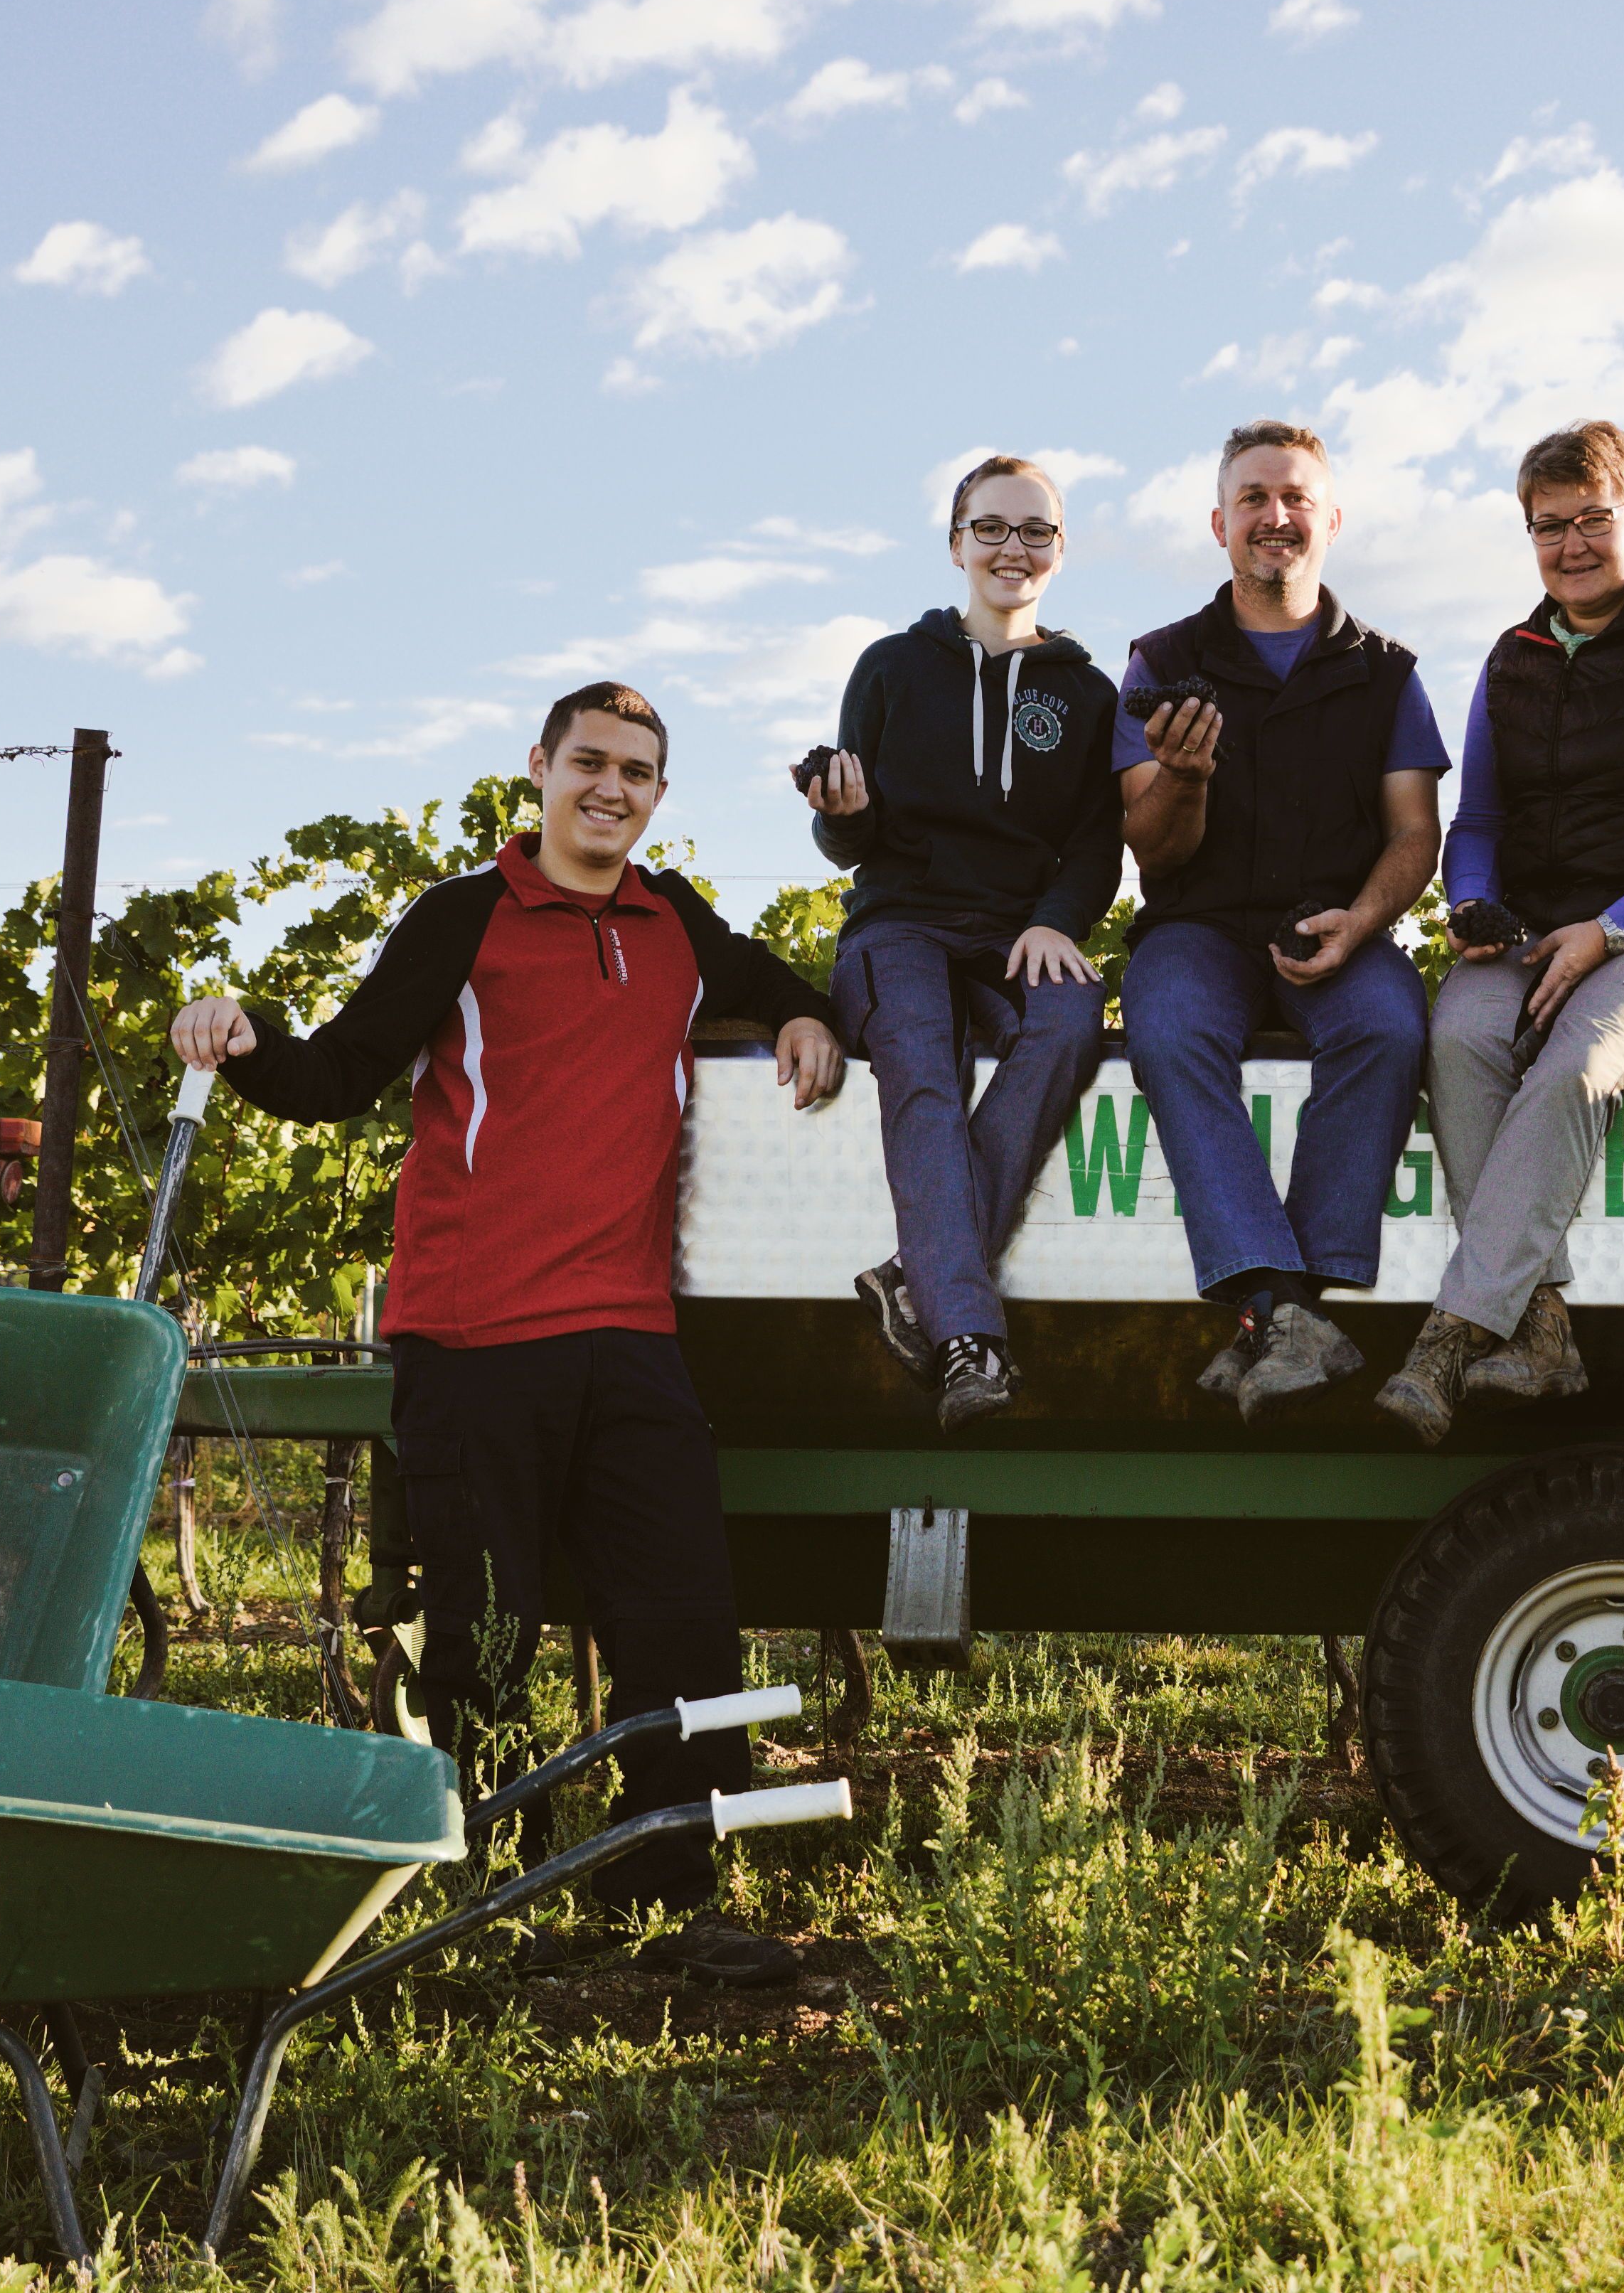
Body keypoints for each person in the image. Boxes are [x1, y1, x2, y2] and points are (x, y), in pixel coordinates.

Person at [169, 682, 843, 1984]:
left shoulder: (677, 924)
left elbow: (783, 985)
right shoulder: (464, 916)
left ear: (659, 794)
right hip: (474, 1335)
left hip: (631, 1334)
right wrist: (242, 1038)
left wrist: (807, 1012)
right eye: (589, 762)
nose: (611, 788)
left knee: (683, 1621)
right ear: (540, 768)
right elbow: (338, 1076)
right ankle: (486, 1894)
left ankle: (672, 1898)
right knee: (484, 1633)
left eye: (636, 772)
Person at [1375, 420, 1624, 1444]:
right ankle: (1542, 1326)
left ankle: (1453, 1333)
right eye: (1549, 526)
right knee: (1460, 1038)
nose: (1572, 544)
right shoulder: (1512, 661)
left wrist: (1614, 927)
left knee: (1579, 1061)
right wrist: (1471, 903)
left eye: (1594, 519)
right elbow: (1477, 824)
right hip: (1536, 937)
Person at [1117, 420, 1446, 1421]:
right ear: (1220, 523)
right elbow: (1152, 850)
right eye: (1254, 498)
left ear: (1330, 520)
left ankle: (1279, 1310)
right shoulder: (1158, 662)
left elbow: (1415, 832)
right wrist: (1184, 778)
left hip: (1335, 924)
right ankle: (1281, 1302)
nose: (1276, 516)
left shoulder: (1388, 672)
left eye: (1296, 497)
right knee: (1168, 1027)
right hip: (1198, 928)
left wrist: (1363, 920)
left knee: (1389, 1025)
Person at [806, 456, 1117, 1429]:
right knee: (924, 1073)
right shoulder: (890, 667)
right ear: (955, 544)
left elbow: (1095, 843)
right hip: (899, 922)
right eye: (991, 528)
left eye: (1035, 531)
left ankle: (918, 1274)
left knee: (1070, 1020)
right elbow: (848, 840)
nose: (1012, 548)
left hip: (1018, 929)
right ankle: (967, 1340)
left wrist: (1055, 920)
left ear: (1060, 551)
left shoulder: (1089, 693)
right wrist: (841, 815)